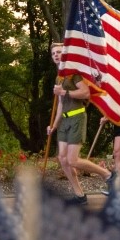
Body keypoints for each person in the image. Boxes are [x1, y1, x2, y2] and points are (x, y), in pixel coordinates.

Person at [47, 43, 113, 204]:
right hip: (64, 120)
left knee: (73, 160)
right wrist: (54, 125)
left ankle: (108, 175)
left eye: (59, 52)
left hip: (77, 117)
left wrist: (64, 91)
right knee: (62, 159)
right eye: (54, 53)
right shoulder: (59, 77)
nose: (56, 55)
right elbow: (61, 104)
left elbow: (85, 92)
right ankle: (79, 195)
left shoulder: (73, 74)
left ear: (65, 54)